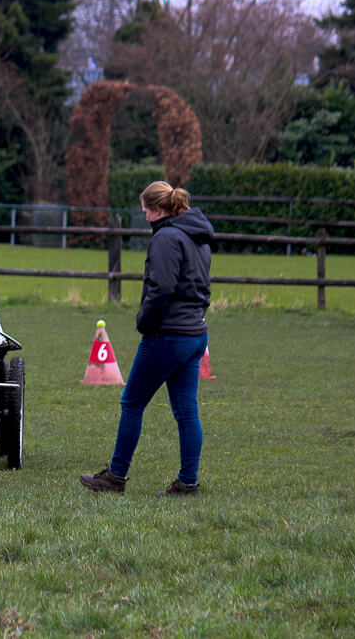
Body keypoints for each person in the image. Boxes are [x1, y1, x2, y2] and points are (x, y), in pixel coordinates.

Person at [80, 181, 214, 496]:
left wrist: (144, 322)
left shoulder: (166, 238)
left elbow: (162, 289)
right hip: (196, 334)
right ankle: (188, 481)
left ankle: (115, 477)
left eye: (145, 211)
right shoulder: (198, 238)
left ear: (156, 210)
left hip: (167, 336)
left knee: (132, 402)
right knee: (187, 411)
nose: (144, 216)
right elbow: (202, 288)